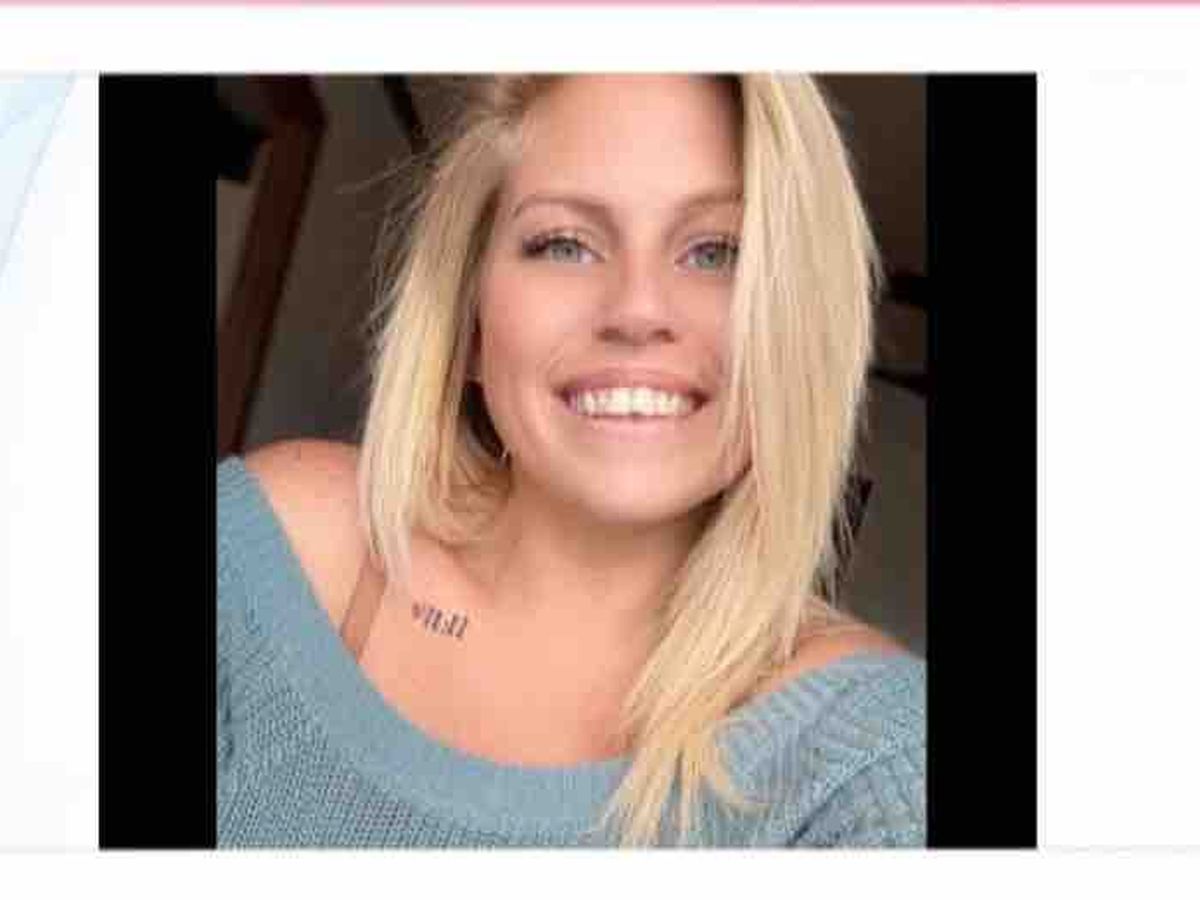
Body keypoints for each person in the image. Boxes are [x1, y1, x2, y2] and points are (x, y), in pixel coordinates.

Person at [216, 74, 926, 848]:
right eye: (564, 244)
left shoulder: (872, 757)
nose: (638, 311)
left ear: (799, 329)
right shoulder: (275, 556)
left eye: (718, 251)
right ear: (471, 320)